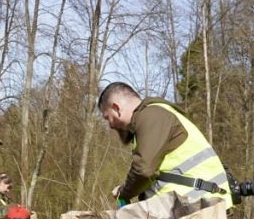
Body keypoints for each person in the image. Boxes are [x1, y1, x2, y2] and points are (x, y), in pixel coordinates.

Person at [97, 82, 233, 209]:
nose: (110, 125)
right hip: (200, 203)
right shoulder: (157, 115)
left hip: (196, 204)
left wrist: (124, 192)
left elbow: (144, 170)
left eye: (107, 117)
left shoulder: (151, 116)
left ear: (116, 108)